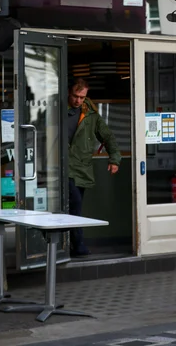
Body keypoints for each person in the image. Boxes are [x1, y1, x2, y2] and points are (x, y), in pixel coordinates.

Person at [67, 78, 121, 257]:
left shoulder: (90, 115)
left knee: (75, 206)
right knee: (73, 205)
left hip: (80, 168)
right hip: (62, 167)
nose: (78, 101)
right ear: (69, 92)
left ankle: (73, 245)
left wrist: (114, 159)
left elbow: (108, 136)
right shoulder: (57, 109)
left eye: (82, 97)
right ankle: (77, 244)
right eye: (76, 96)